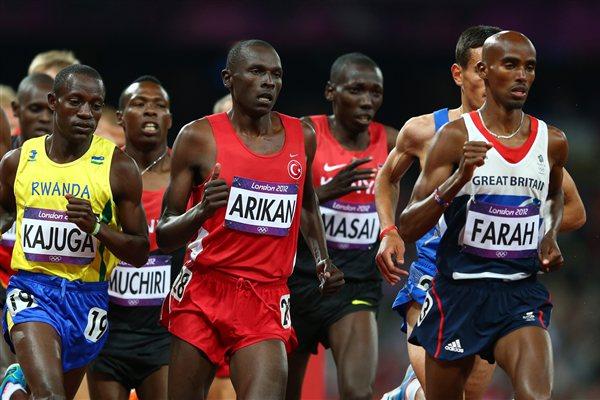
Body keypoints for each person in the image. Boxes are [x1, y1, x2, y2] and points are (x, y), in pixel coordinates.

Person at [376, 26, 586, 400]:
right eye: (509, 65)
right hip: (444, 277)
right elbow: (396, 197)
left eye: (530, 67)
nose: (522, 75)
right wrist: (390, 229)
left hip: (516, 290)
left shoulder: (547, 141)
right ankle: (408, 393)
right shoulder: (441, 134)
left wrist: (546, 234)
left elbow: (562, 203)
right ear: (477, 72)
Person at [157, 39, 344, 400]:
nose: (268, 82)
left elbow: (306, 206)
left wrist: (322, 260)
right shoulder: (197, 138)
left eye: (276, 74)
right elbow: (164, 235)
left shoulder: (301, 136)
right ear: (229, 78)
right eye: (257, 72)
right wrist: (201, 211)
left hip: (266, 296)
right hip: (205, 290)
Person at [0, 64, 149, 400]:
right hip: (33, 290)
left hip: (88, 298)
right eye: (76, 102)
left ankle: (16, 386)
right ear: (54, 102)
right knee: (50, 395)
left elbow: (140, 252)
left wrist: (97, 227)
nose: (86, 113)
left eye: (95, 105)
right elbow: (5, 211)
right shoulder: (18, 161)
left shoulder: (119, 168)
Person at [286, 53, 397, 400]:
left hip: (357, 283)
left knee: (358, 392)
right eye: (356, 90)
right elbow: (277, 210)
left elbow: (441, 156)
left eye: (375, 92)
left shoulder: (392, 142)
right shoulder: (306, 134)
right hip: (298, 280)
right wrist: (324, 193)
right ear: (331, 92)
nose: (367, 101)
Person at [87, 76, 180, 400]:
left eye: (159, 106)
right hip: (106, 328)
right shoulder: (103, 171)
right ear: (121, 117)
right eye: (139, 104)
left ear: (169, 118)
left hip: (163, 332)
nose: (150, 112)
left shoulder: (185, 176)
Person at [0, 74, 54, 376]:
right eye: (36, 109)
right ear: (17, 110)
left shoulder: (80, 167)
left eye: (51, 109)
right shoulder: (5, 162)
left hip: (55, 300)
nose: (45, 118)